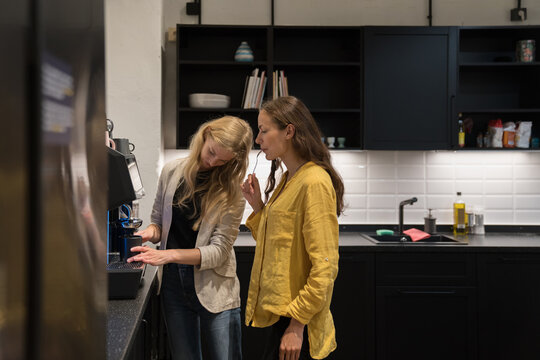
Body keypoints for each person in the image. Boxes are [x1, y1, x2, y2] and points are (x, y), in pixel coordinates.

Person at [127, 116, 253, 360]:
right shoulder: (172, 171)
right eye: (212, 152)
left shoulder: (233, 191)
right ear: (205, 135)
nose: (213, 161)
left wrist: (167, 255)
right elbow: (158, 223)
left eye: (223, 160)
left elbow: (218, 252)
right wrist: (146, 234)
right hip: (173, 283)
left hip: (215, 286)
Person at [241, 96, 344, 360]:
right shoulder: (289, 178)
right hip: (282, 317)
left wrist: (296, 327)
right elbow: (275, 244)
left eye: (264, 130)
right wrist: (257, 206)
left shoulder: (314, 183)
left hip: (299, 325)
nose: (258, 139)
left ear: (289, 131)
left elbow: (325, 266)